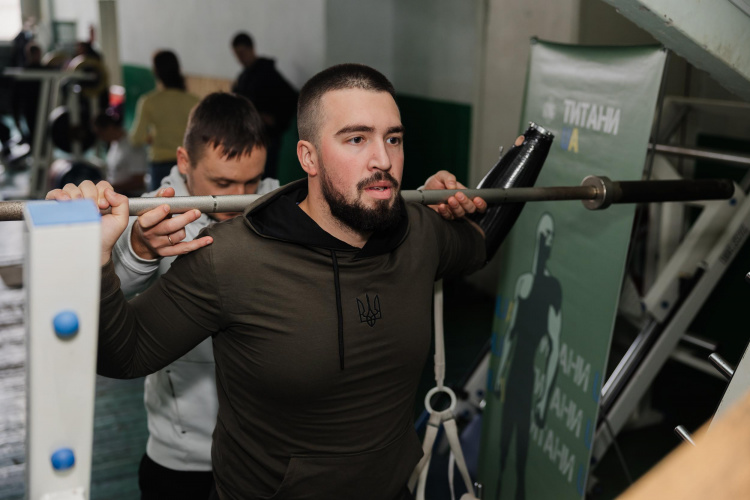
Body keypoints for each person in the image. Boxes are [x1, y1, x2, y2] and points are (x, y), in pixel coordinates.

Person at [48, 64, 492, 500]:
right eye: (357, 138)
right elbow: (123, 356)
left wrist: (459, 205)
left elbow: (480, 243)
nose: (383, 159)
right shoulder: (228, 256)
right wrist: (101, 257)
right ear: (309, 157)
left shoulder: (420, 232)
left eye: (392, 138)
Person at [112, 92, 277, 499]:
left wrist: (426, 206)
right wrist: (140, 248)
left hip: (267, 454)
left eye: (251, 181)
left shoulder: (280, 203)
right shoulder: (151, 214)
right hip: (182, 457)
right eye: (223, 183)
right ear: (185, 162)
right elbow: (109, 290)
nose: (239, 197)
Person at [494, 213, 561, 500]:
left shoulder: (552, 289)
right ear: (537, 237)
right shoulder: (522, 283)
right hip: (512, 375)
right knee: (503, 445)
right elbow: (509, 334)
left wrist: (545, 399)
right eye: (544, 234)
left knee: (522, 450)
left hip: (529, 377)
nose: (547, 240)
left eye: (551, 236)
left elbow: (555, 348)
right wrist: (499, 375)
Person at [231, 32, 298, 180]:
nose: (240, 58)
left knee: (266, 178)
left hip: (268, 137)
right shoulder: (244, 77)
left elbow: (291, 99)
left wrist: (274, 119)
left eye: (242, 53)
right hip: (249, 136)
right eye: (237, 54)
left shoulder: (268, 73)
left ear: (251, 49)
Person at [130, 50, 200, 190]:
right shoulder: (194, 101)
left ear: (156, 72)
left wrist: (151, 137)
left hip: (160, 165)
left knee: (160, 208)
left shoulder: (149, 101)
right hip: (188, 164)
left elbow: (136, 138)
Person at [93, 109, 148, 196]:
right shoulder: (114, 144)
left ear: (110, 128)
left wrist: (111, 186)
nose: (101, 138)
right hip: (117, 193)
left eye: (100, 133)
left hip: (132, 197)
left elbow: (139, 182)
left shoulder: (132, 145)